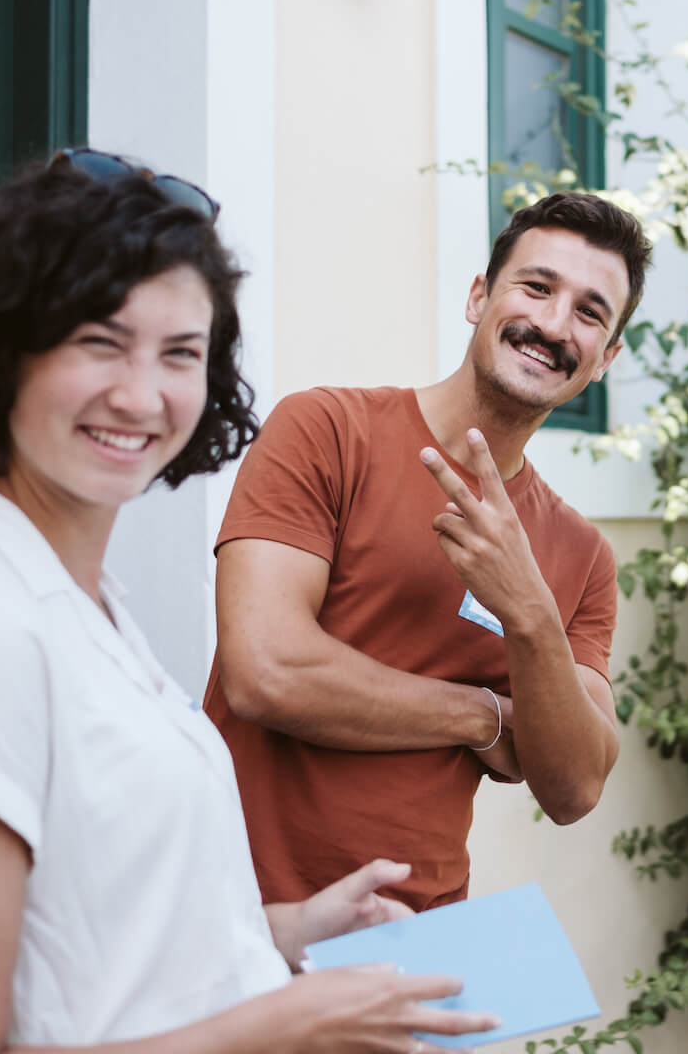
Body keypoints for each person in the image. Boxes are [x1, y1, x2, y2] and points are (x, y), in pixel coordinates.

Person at [0, 150, 497, 1051]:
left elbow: (93, 951)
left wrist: (285, 936)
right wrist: (279, 1026)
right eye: (99, 342)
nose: (141, 395)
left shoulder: (81, 603)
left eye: (181, 353)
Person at [206, 191, 650, 910]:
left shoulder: (582, 554)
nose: (553, 324)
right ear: (479, 297)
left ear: (606, 358)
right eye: (535, 288)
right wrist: (488, 716)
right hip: (241, 908)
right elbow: (265, 671)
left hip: (419, 931)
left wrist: (530, 612)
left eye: (590, 312)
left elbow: (575, 785)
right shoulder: (325, 430)